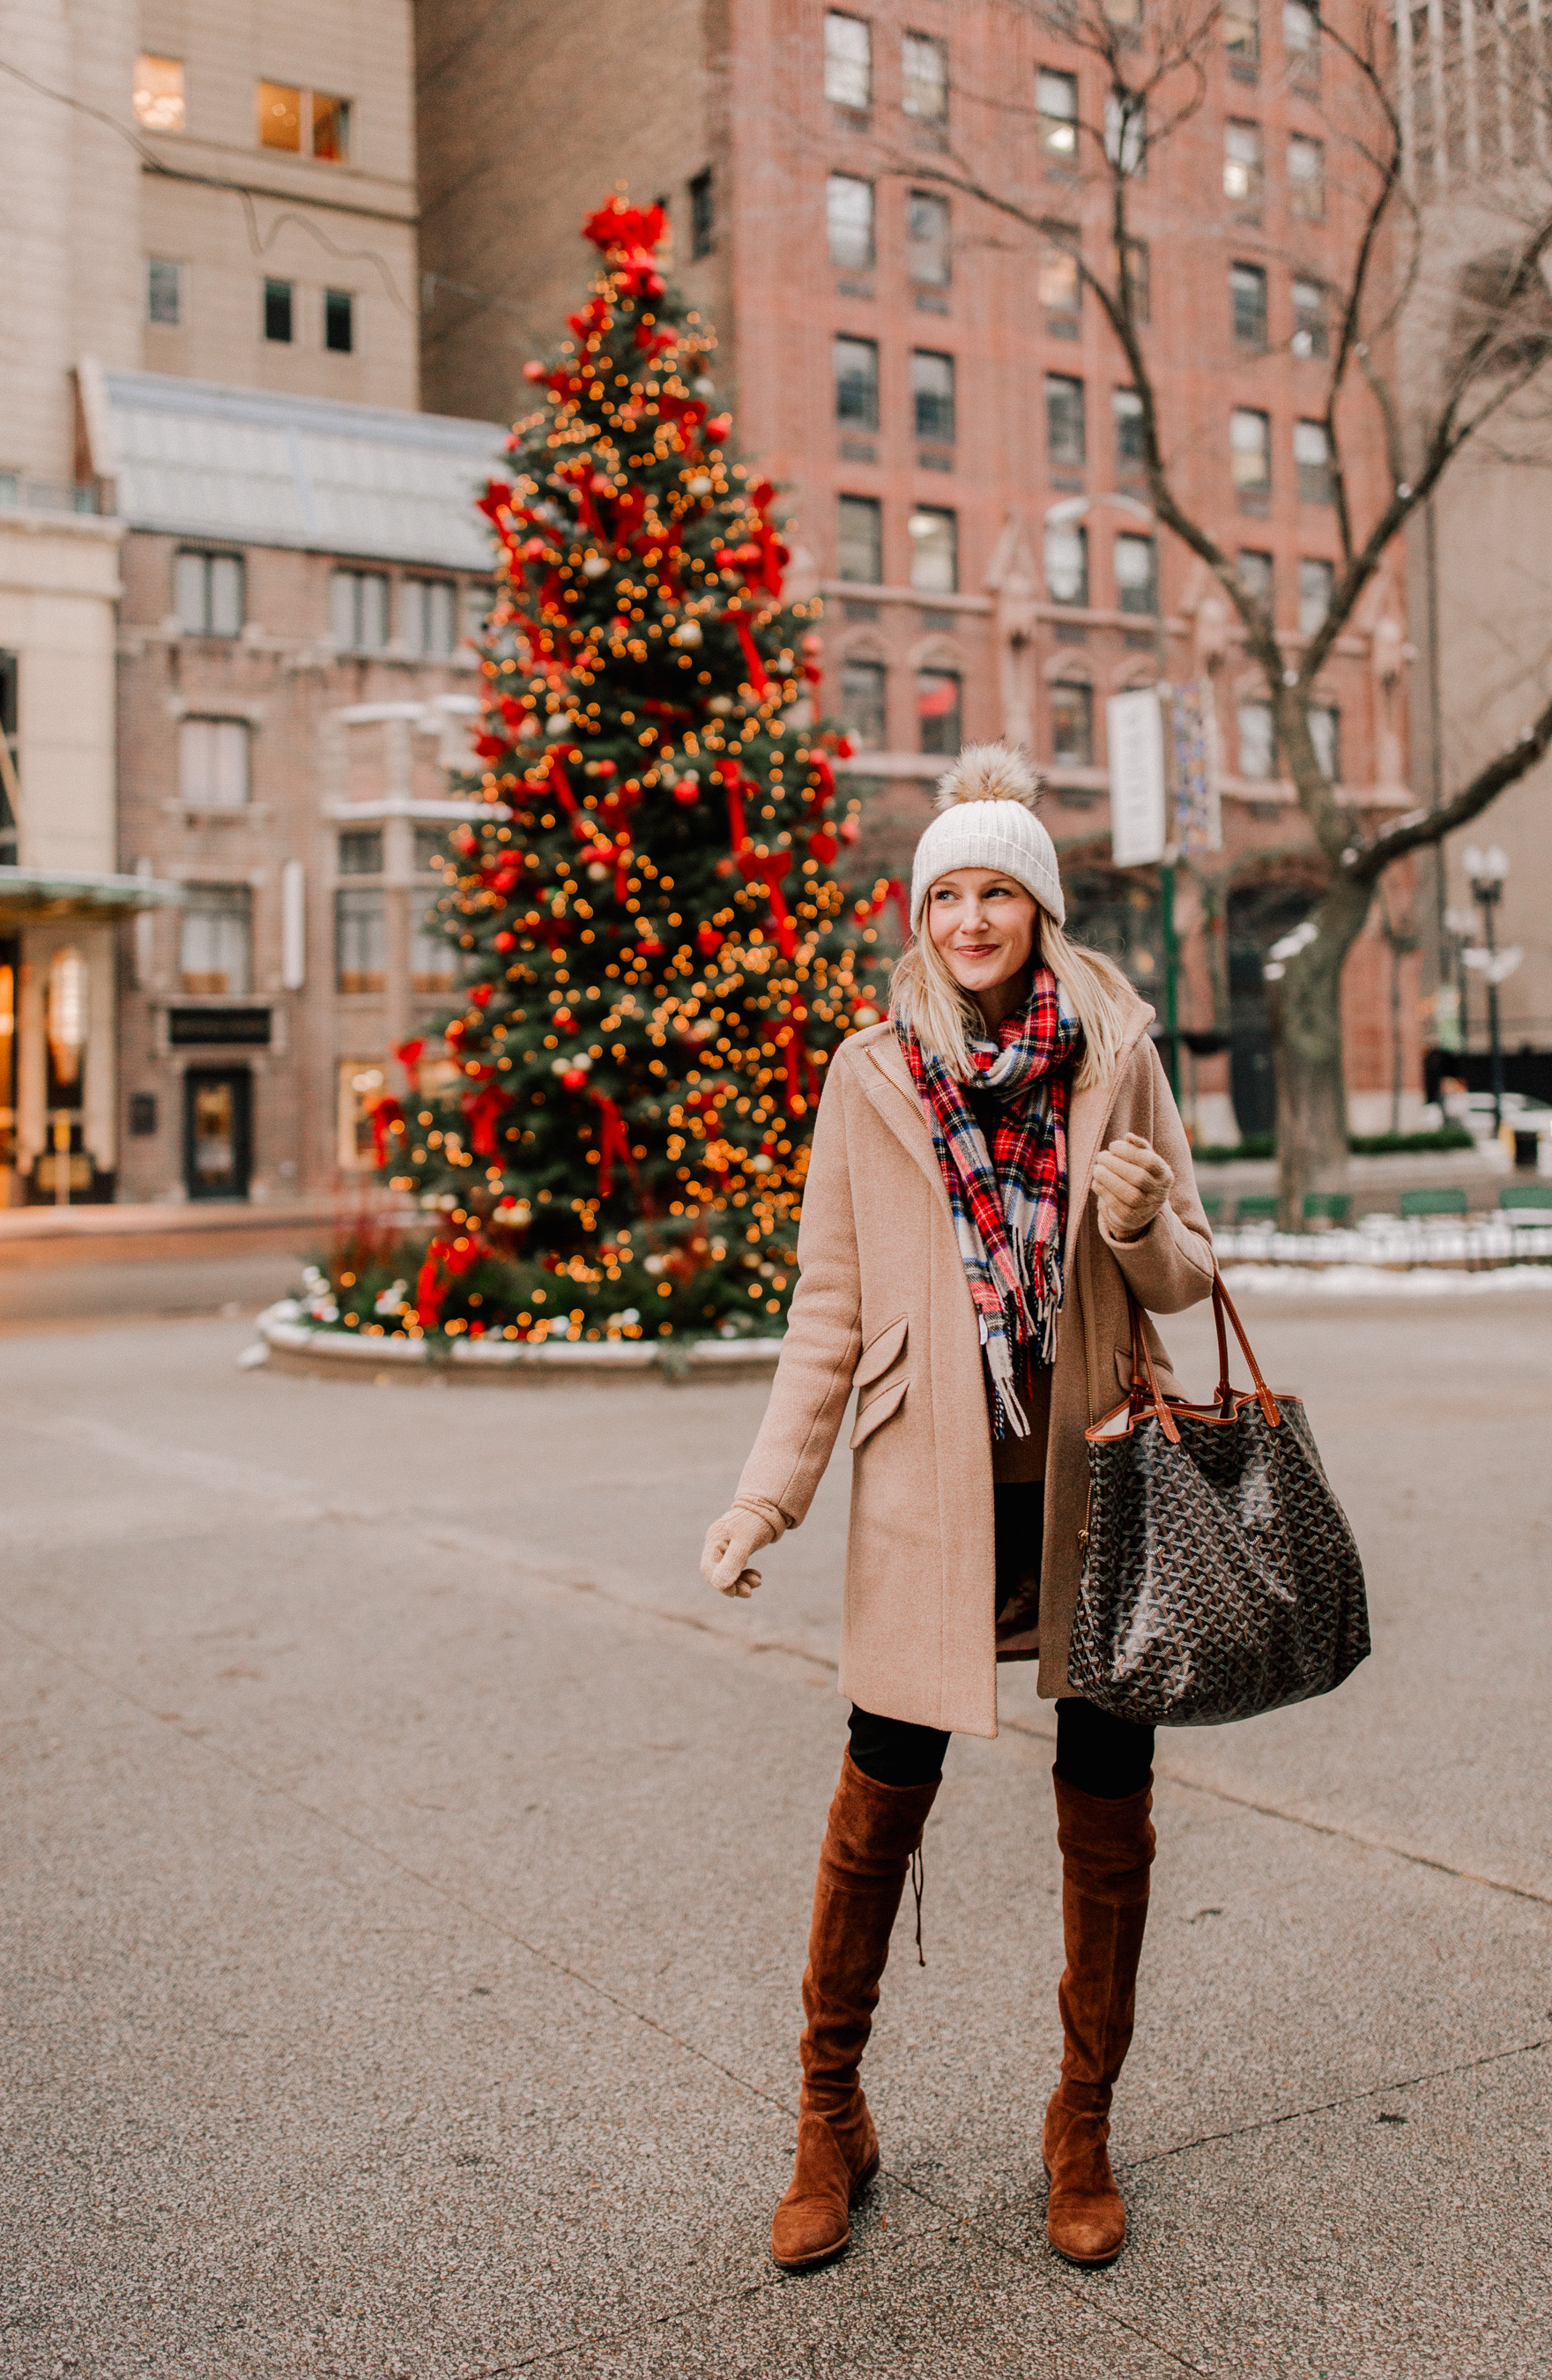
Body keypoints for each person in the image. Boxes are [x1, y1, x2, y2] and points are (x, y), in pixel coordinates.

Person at [701, 744, 1215, 2275]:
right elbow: (829, 1308)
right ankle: (827, 2112)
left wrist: (1136, 1222)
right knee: (881, 1780)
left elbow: (1192, 1264)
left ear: (1041, 911)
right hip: (936, 1475)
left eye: (1000, 890)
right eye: (949, 892)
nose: (973, 917)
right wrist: (765, 1495)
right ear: (917, 913)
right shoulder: (869, 1073)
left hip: (1099, 1467)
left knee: (1107, 1794)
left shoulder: (1116, 1047)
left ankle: (1083, 2121)